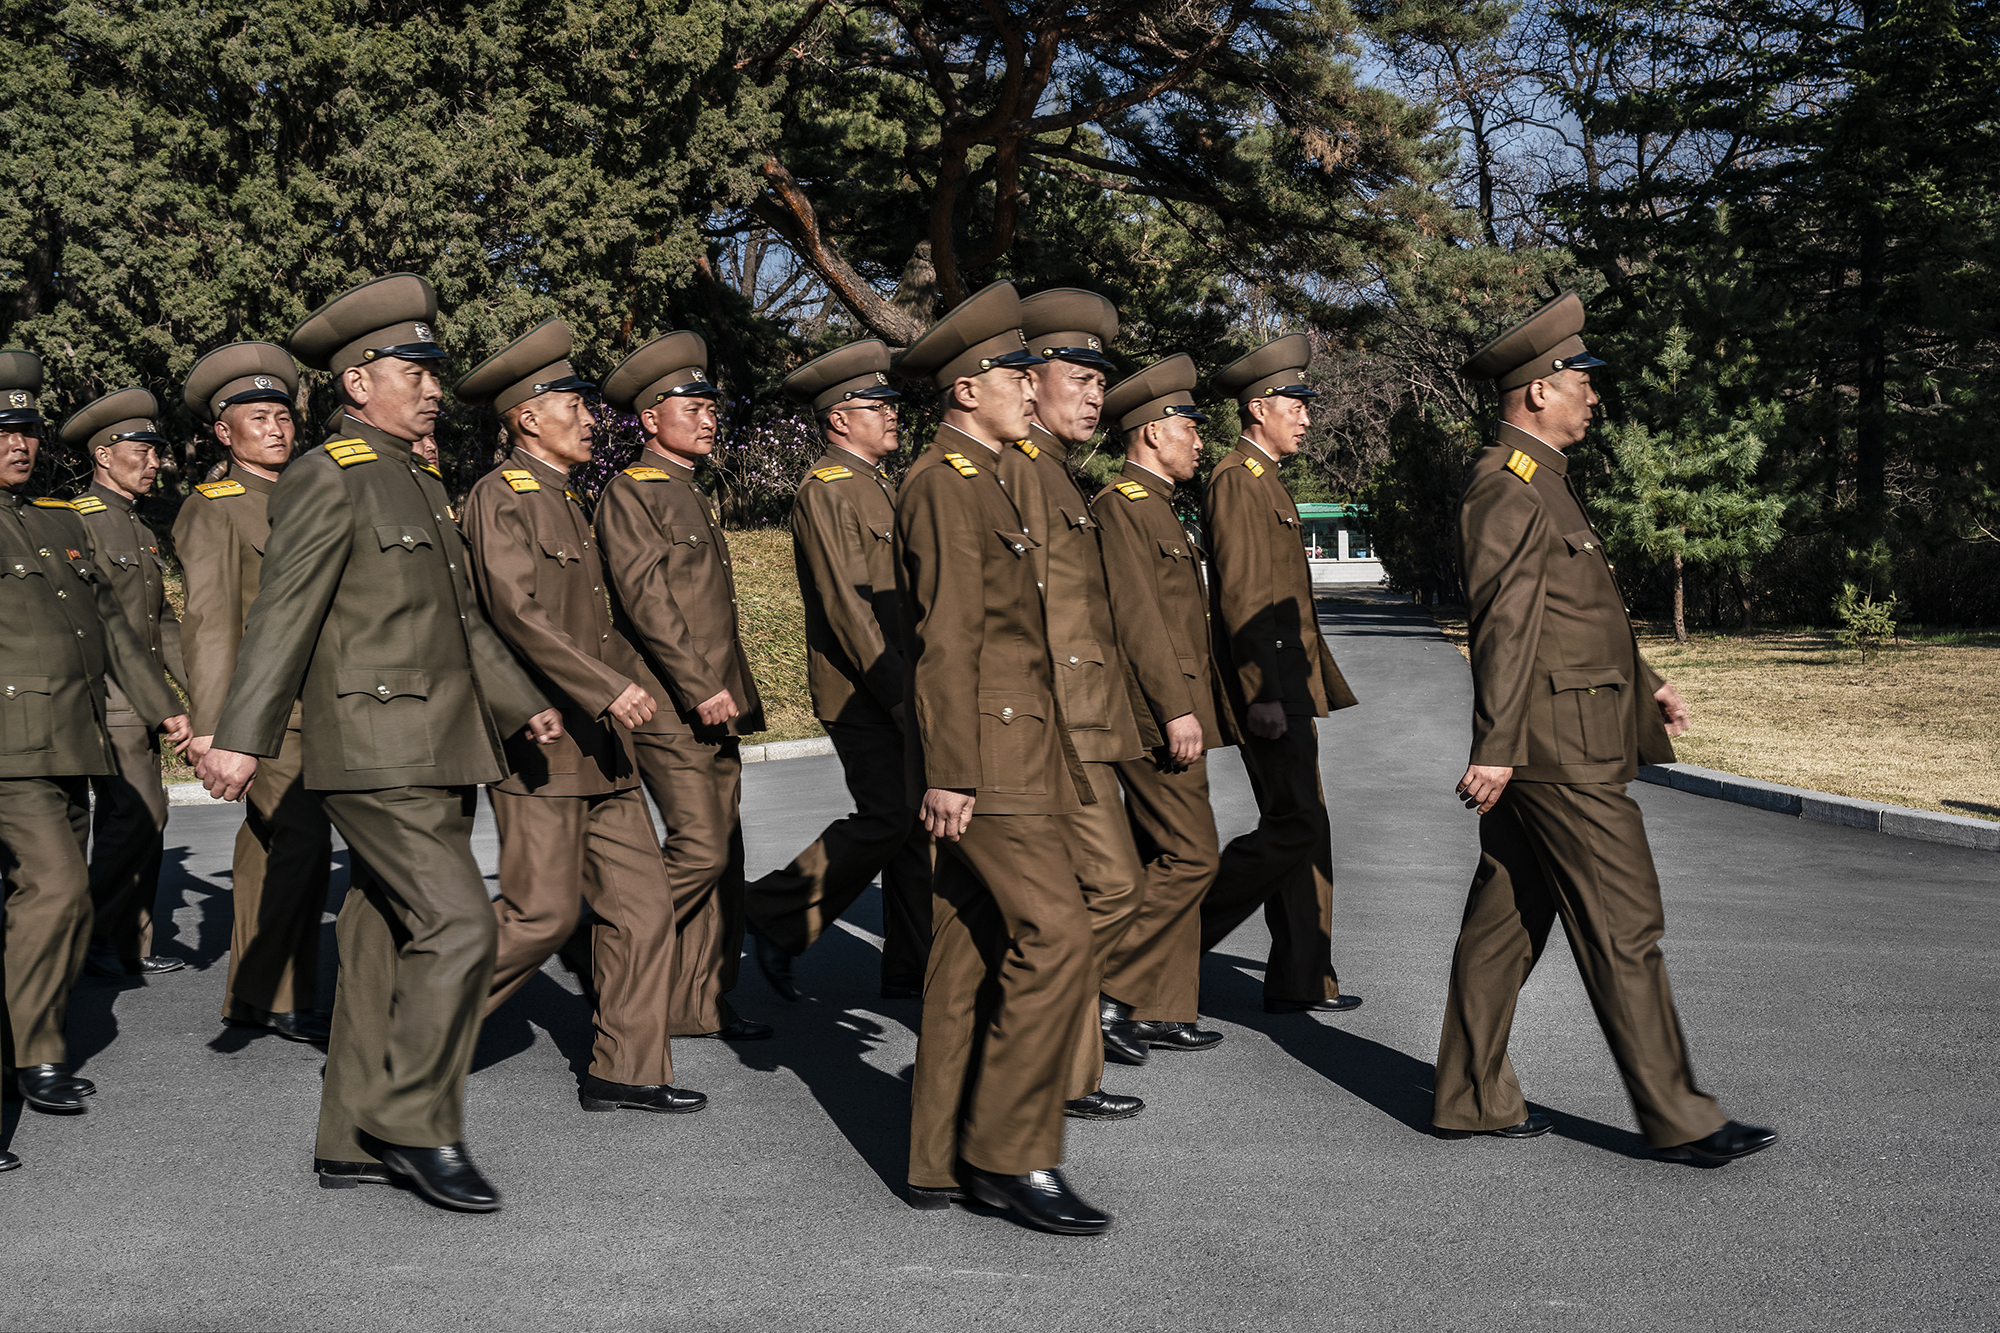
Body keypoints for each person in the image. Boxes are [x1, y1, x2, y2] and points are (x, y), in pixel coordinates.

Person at [196, 273, 558, 1212]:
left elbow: (465, 621)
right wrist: (242, 737)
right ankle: (415, 1118)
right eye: (415, 371)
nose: (434, 387)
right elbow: (283, 614)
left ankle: (349, 1137)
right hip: (371, 747)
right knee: (462, 922)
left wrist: (522, 705)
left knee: (383, 940)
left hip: (442, 746)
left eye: (436, 372)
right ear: (358, 382)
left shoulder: (416, 478)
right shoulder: (331, 474)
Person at [1435, 291, 1778, 1163]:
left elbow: (1578, 615)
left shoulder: (1541, 481)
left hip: (1559, 735)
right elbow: (1504, 625)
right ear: (1537, 392)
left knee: (1504, 922)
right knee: (1625, 924)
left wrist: (1649, 681)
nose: (1595, 394)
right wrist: (1497, 747)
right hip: (1558, 752)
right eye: (1581, 380)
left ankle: (1471, 1096)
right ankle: (1680, 1116)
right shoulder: (1506, 486)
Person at [895, 281, 1110, 1236]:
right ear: (967, 388)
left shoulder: (984, 478)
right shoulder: (944, 484)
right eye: (1016, 373)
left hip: (1010, 747)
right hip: (988, 757)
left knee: (968, 951)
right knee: (1057, 936)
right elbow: (946, 638)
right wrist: (951, 769)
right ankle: (1011, 1149)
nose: (1034, 387)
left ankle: (939, 1158)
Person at [454, 319, 702, 1116]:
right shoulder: (502, 497)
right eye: (575, 405)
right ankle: (403, 1037)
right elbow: (518, 616)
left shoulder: (571, 495)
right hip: (543, 738)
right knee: (540, 914)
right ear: (527, 417)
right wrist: (603, 687)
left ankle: (625, 1070)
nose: (593, 419)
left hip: (604, 746)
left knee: (642, 905)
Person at [0, 350, 187, 1129]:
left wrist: (171, 712)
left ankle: (34, 1041)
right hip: (10, 745)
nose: (18, 443)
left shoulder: (51, 521)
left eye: (26, 429)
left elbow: (112, 627)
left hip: (68, 740)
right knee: (58, 889)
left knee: (54, 896)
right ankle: (34, 1053)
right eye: (2, 432)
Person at [595, 331, 771, 1042]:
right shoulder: (632, 492)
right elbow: (647, 602)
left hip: (714, 705)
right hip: (672, 705)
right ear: (649, 418)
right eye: (690, 406)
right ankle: (615, 945)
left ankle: (696, 1004)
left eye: (710, 407)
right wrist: (700, 685)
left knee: (724, 854)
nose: (707, 418)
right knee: (699, 846)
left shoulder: (689, 492)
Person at [746, 339, 932, 1002]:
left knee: (915, 831)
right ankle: (771, 911)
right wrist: (897, 692)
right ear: (838, 419)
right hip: (864, 691)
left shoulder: (874, 487)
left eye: (890, 403)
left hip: (897, 682)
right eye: (874, 405)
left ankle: (914, 966)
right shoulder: (826, 491)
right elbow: (846, 605)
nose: (891, 415)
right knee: (890, 816)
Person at [1006, 288, 1150, 1118]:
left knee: (1088, 893)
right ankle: (1046, 1049)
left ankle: (1071, 1062)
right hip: (1058, 722)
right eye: (1078, 376)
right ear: (1029, 382)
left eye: (1102, 380)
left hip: (1088, 716)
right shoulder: (1021, 471)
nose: (1095, 394)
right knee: (1108, 886)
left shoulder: (1054, 470)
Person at [1198, 334, 1363, 1015]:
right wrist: (1261, 690)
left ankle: (1302, 977)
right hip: (1272, 692)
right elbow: (1241, 596)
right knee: (1293, 825)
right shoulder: (1237, 481)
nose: (1305, 416)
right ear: (1259, 406)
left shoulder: (1266, 481)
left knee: (1305, 828)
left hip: (1290, 688)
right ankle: (1159, 948)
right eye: (1295, 403)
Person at [177, 342, 334, 1044]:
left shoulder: (305, 491)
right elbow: (209, 622)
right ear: (223, 431)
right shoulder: (215, 507)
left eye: (283, 416)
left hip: (321, 703)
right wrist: (214, 728)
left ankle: (252, 992)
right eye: (259, 417)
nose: (277, 428)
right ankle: (281, 995)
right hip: (265, 715)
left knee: (270, 849)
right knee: (301, 838)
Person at [1089, 355, 1232, 1055]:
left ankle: (1159, 1005)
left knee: (1163, 854)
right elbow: (1138, 620)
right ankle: (1106, 991)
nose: (1199, 440)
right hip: (1153, 716)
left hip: (1180, 712)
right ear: (1148, 432)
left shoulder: (1158, 508)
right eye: (1188, 426)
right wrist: (1175, 709)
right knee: (1193, 856)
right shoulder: (1120, 507)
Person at [59, 390, 190, 979]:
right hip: (108, 695)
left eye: (156, 451)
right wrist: (164, 707)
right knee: (138, 814)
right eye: (142, 450)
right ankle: (89, 937)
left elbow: (163, 625)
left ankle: (129, 941)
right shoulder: (78, 521)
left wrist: (205, 691)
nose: (154, 462)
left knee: (141, 815)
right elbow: (102, 627)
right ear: (105, 455)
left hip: (138, 698)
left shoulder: (137, 528)